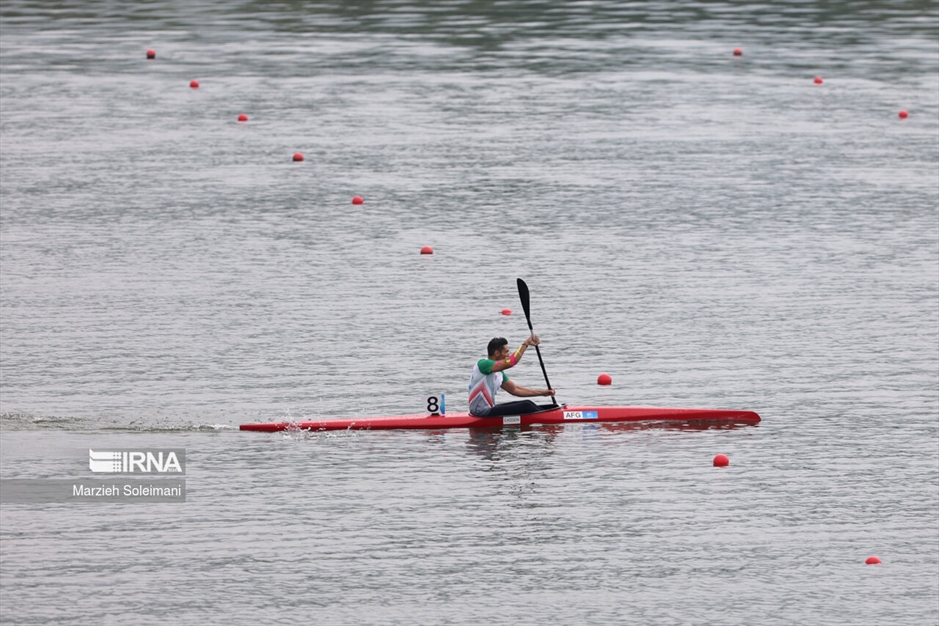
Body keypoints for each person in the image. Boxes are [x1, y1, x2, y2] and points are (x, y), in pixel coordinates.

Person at [468, 336, 556, 417]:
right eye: (506, 352)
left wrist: (543, 393)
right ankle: (552, 416)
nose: (508, 355)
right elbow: (511, 362)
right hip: (480, 412)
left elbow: (515, 390)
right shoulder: (483, 364)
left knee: (528, 403)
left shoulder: (498, 371)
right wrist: (526, 343)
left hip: (489, 409)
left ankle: (553, 411)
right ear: (497, 353)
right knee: (526, 406)